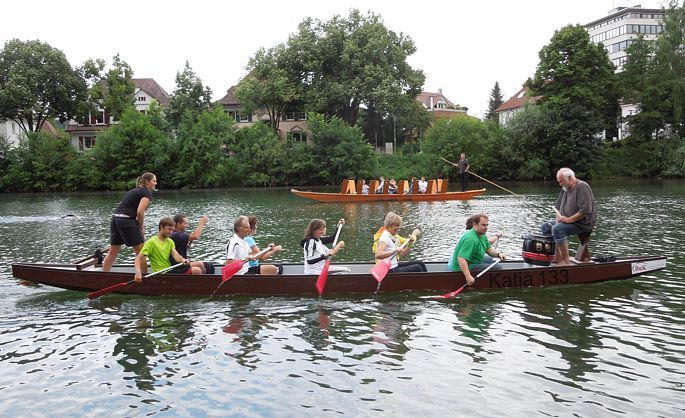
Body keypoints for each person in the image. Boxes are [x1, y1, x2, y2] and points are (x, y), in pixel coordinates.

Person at [540, 167, 597, 265]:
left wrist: (568, 220)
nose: (560, 184)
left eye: (562, 181)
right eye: (559, 181)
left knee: (557, 229)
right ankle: (556, 256)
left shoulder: (582, 186)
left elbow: (585, 210)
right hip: (567, 220)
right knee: (546, 226)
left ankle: (565, 261)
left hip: (582, 223)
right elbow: (557, 208)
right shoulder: (565, 188)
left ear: (570, 178)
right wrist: (558, 221)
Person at [102, 172, 157, 272]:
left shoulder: (135, 191)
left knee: (112, 252)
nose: (155, 183)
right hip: (126, 221)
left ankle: (103, 276)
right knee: (141, 253)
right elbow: (140, 212)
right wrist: (141, 228)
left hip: (115, 219)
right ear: (147, 182)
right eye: (154, 181)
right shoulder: (146, 193)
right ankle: (144, 278)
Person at [134, 217, 200, 282]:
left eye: (172, 230)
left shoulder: (170, 241)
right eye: (169, 229)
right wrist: (138, 273)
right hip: (161, 273)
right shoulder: (151, 242)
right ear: (161, 227)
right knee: (196, 270)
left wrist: (182, 259)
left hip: (170, 270)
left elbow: (176, 256)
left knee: (199, 267)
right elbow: (138, 259)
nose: (171, 232)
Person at [450, 213, 506, 285]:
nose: (486, 227)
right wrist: (468, 276)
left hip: (473, 261)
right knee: (498, 267)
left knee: (490, 259)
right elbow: (461, 259)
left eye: (487, 225)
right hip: (463, 267)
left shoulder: (482, 235)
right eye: (483, 225)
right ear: (475, 224)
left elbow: (488, 249)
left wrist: (499, 254)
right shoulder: (470, 239)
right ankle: (487, 285)